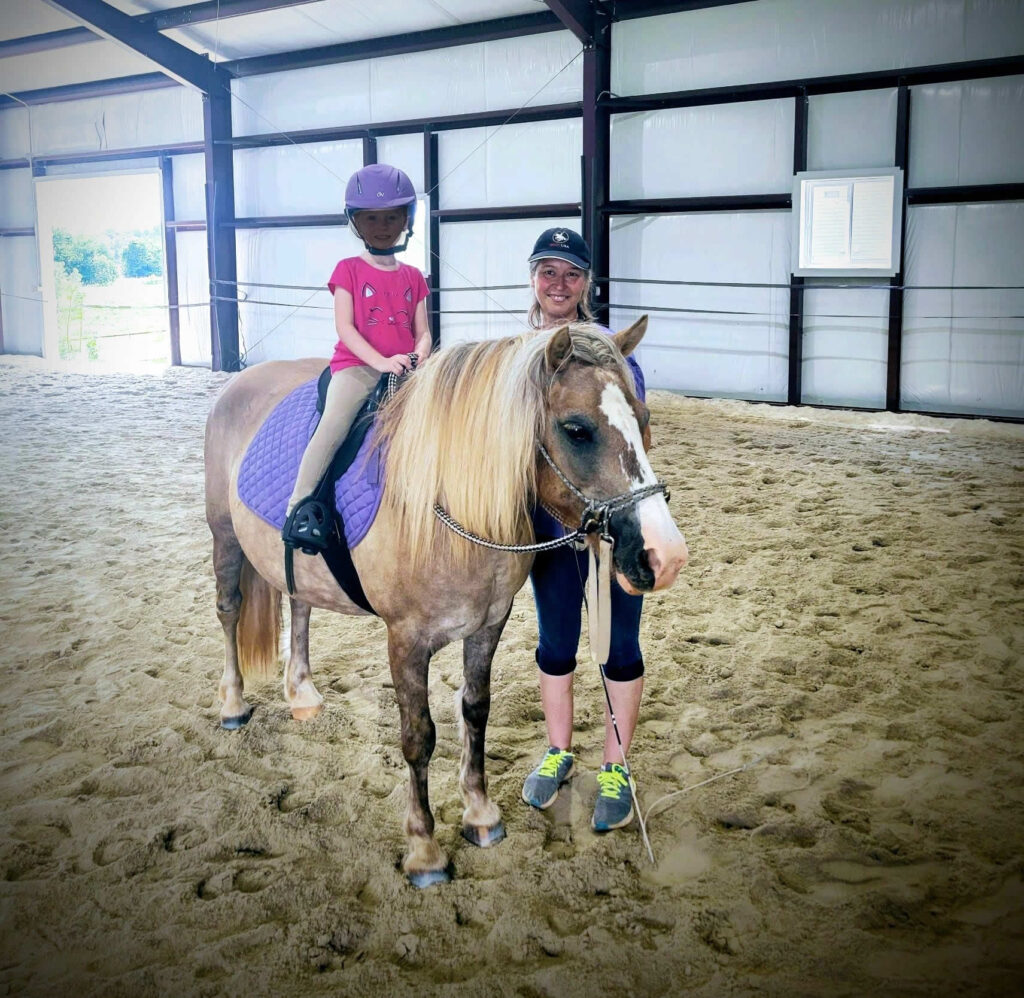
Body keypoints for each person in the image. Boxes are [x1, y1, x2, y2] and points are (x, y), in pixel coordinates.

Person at [520, 227, 649, 833]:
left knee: (619, 646)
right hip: (549, 529)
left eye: (571, 273)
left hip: (611, 525)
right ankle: (559, 750)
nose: (559, 284)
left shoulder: (614, 355)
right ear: (533, 279)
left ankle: (616, 766)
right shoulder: (515, 359)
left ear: (586, 284)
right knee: (555, 643)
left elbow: (630, 439)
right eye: (548, 271)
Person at [283, 163, 432, 550]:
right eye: (371, 219)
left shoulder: (414, 276)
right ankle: (300, 506)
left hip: (406, 371)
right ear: (356, 222)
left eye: (391, 217)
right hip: (357, 368)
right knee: (334, 423)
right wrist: (381, 362)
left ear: (406, 219)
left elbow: (423, 331)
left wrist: (419, 355)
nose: (382, 226)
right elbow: (346, 328)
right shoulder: (347, 270)